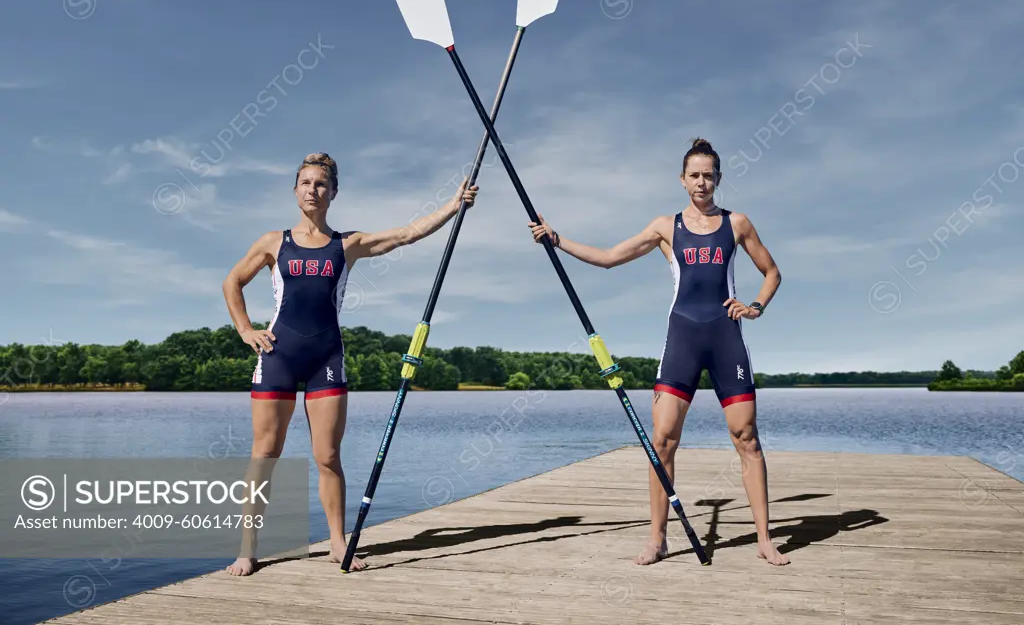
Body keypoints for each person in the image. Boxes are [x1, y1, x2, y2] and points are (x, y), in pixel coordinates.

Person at [527, 137, 788, 566]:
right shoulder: (666, 227)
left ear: (718, 178)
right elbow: (610, 257)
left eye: (709, 175)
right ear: (682, 180)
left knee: (747, 440)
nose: (702, 182)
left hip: (726, 340)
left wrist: (755, 306)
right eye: (694, 175)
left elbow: (772, 272)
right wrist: (557, 240)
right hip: (682, 340)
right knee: (662, 441)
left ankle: (763, 538)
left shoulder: (737, 223)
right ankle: (657, 538)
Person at [221, 152, 479, 575]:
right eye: (305, 183)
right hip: (278, 357)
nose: (313, 190)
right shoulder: (273, 242)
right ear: (295, 190)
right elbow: (232, 281)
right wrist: (246, 329)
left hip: (326, 358)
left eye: (321, 184)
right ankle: (247, 548)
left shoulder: (347, 244)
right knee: (264, 454)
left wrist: (454, 206)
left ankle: (337, 544)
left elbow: (406, 235)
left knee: (328, 457)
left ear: (333, 193)